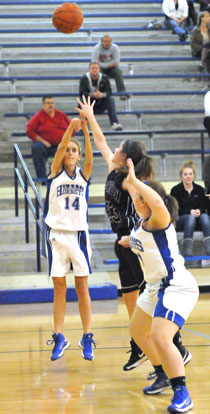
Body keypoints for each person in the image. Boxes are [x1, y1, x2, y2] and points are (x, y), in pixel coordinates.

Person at [76, 96, 191, 373]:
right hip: (124, 244)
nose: (112, 148)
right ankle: (144, 345)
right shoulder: (115, 170)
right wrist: (90, 118)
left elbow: (152, 202)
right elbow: (102, 142)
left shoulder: (129, 181)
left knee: (145, 299)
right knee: (133, 300)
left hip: (137, 243)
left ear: (126, 158)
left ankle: (175, 348)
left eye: (119, 148)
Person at [119, 159, 199, 413]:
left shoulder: (159, 216)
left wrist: (136, 181)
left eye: (139, 196)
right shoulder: (141, 223)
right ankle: (162, 372)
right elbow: (131, 191)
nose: (135, 198)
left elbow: (153, 199)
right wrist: (128, 241)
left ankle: (182, 392)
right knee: (137, 330)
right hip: (154, 288)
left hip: (175, 286)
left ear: (148, 198)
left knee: (161, 336)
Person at [44, 114, 96, 362]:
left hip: (78, 236)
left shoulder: (83, 175)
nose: (71, 152)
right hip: (56, 235)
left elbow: (89, 157)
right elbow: (62, 147)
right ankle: (59, 336)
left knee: (82, 286)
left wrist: (85, 132)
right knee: (59, 287)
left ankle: (87, 336)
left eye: (75, 151)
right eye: (68, 150)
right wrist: (71, 127)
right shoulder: (55, 173)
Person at [26, 95, 73, 180]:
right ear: (43, 105)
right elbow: (29, 131)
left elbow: (71, 128)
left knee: (71, 148)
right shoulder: (39, 116)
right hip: (45, 146)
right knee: (36, 148)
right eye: (48, 103)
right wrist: (43, 141)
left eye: (52, 103)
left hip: (61, 145)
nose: (50, 105)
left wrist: (65, 141)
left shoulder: (60, 115)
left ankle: (68, 177)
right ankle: (42, 179)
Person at [170, 160, 210, 256]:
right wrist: (189, 211)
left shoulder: (199, 189)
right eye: (185, 174)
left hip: (198, 218)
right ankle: (187, 248)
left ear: (194, 175)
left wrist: (199, 211)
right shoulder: (175, 190)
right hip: (182, 219)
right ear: (181, 176)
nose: (188, 176)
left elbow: (203, 206)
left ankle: (209, 246)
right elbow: (175, 210)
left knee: (205, 217)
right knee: (190, 218)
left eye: (190, 174)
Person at [79, 62, 123, 131]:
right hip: (89, 104)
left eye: (96, 68)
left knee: (110, 99)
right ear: (89, 70)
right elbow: (81, 93)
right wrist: (92, 94)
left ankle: (115, 123)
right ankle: (84, 123)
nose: (94, 70)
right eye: (92, 68)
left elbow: (109, 92)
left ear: (99, 70)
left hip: (101, 103)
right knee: (82, 100)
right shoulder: (84, 78)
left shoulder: (104, 78)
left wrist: (102, 94)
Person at [91, 35, 128, 100]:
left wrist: (103, 64)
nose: (107, 43)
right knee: (97, 70)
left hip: (111, 69)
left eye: (109, 41)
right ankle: (100, 93)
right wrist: (109, 65)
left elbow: (116, 61)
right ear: (102, 42)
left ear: (111, 42)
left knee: (118, 72)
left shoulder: (115, 48)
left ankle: (122, 93)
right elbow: (95, 63)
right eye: (105, 41)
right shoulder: (96, 48)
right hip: (101, 68)